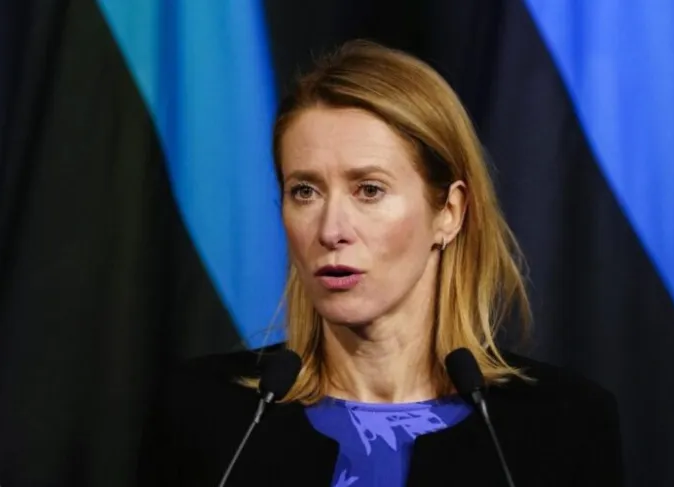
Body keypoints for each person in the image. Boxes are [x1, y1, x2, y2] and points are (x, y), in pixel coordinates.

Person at [136, 40, 624, 487]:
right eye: (304, 191)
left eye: (368, 190)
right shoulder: (207, 416)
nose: (331, 230)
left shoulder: (561, 426)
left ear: (449, 212)